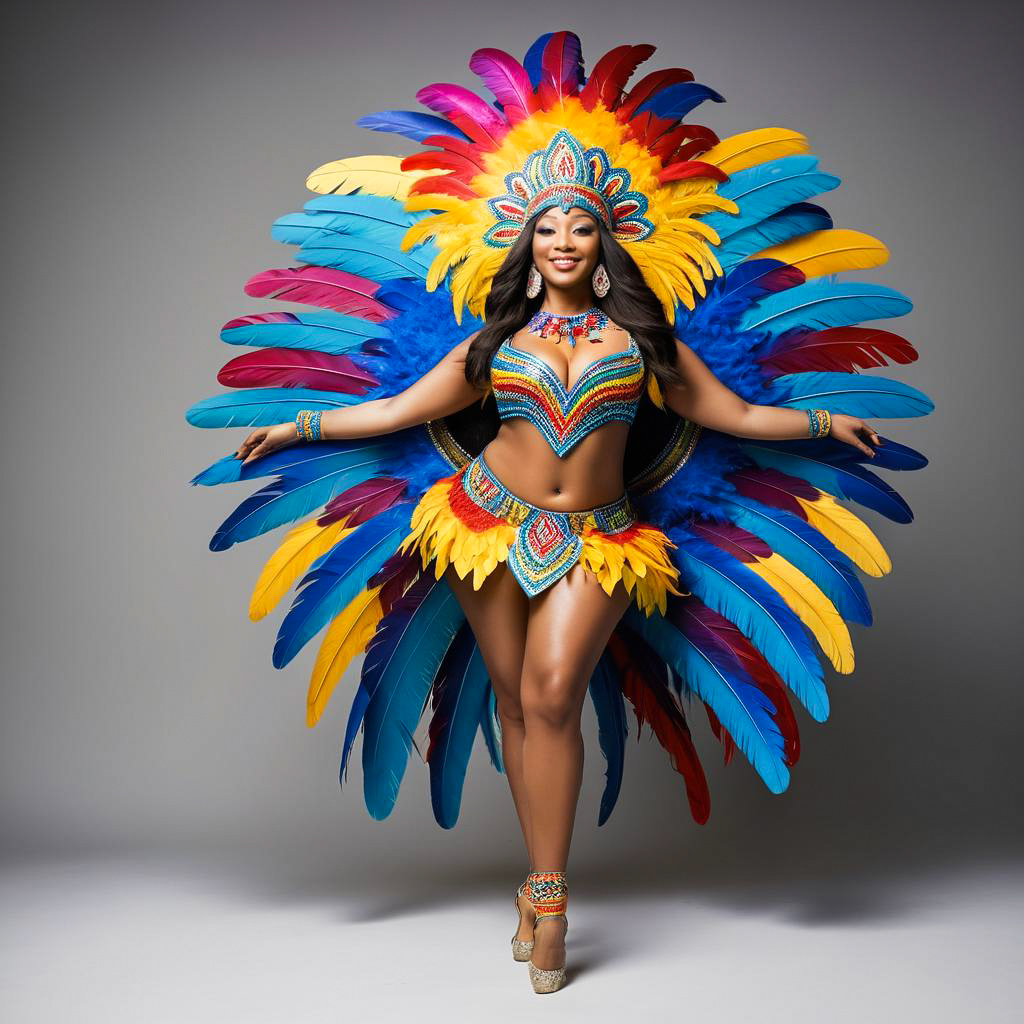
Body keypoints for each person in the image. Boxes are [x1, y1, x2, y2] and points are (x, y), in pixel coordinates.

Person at [189, 32, 931, 995]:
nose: (565, 242)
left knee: (551, 694)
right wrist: (298, 427)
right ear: (526, 242)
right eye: (548, 230)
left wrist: (828, 418)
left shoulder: (644, 337)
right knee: (512, 701)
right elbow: (400, 410)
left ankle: (550, 899)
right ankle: (533, 889)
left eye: (580, 228)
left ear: (605, 238)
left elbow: (733, 413)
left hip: (604, 536)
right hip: (483, 522)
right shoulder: (496, 336)